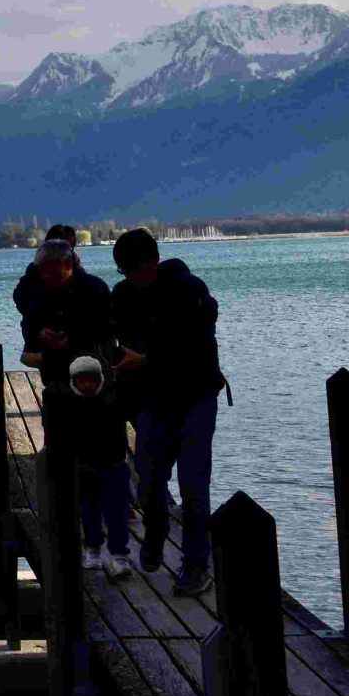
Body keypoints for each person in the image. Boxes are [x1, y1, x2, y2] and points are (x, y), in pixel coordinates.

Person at [110, 227, 225, 597]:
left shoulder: (190, 291)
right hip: (152, 402)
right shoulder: (123, 295)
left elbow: (195, 350)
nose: (131, 278)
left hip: (195, 399)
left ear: (154, 262)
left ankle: (195, 564)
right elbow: (114, 343)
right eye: (124, 271)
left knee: (193, 485)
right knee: (148, 481)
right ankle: (156, 532)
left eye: (136, 269)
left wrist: (145, 359)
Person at [63, 356, 133, 577]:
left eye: (92, 379)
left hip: (114, 466)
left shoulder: (113, 400)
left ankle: (119, 555)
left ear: (100, 379)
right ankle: (92, 548)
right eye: (81, 380)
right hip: (84, 469)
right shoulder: (68, 404)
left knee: (117, 513)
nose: (87, 385)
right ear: (74, 381)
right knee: (89, 511)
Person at [13, 236, 112, 388]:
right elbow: (29, 322)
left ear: (68, 264)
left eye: (52, 272)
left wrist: (73, 339)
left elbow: (106, 328)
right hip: (53, 369)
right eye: (43, 272)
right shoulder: (38, 290)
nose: (47, 277)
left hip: (92, 368)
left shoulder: (94, 288)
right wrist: (40, 332)